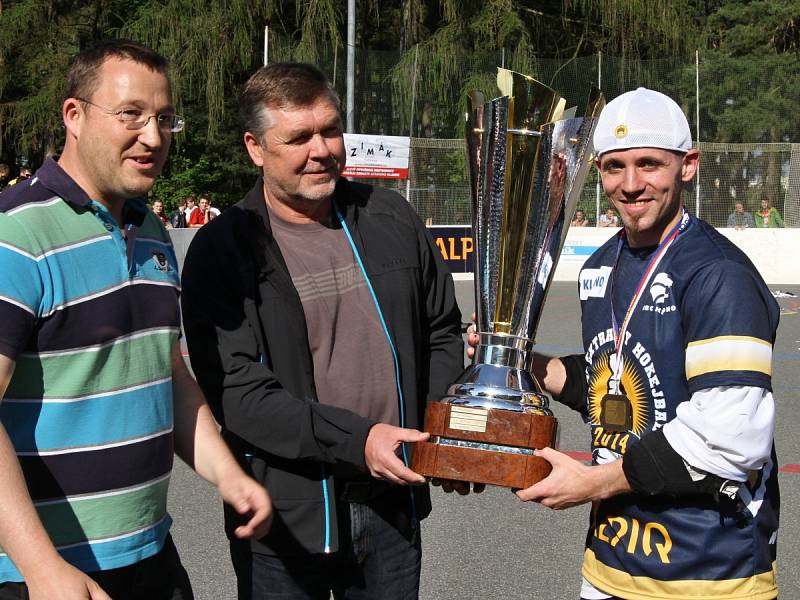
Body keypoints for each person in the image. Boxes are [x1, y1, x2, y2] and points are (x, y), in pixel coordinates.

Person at [469, 87, 779, 599]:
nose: (630, 185)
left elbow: (732, 435)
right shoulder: (601, 266)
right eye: (614, 167)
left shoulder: (717, 274)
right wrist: (514, 360)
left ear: (688, 165)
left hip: (710, 571)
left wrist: (593, 483)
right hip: (609, 563)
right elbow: (605, 378)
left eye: (650, 164)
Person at [180, 63, 464, 600]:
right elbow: (238, 394)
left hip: (392, 506)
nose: (322, 149)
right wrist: (360, 441)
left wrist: (437, 430)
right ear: (255, 147)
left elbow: (442, 330)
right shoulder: (223, 249)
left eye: (330, 130)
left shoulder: (390, 215)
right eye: (298, 137)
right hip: (286, 517)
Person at [0, 39, 272, 600]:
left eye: (165, 118)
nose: (153, 137)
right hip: (42, 574)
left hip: (149, 555)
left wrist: (229, 476)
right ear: (74, 116)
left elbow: (164, 373)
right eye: (131, 115)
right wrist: (41, 568)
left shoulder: (151, 232)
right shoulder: (16, 235)